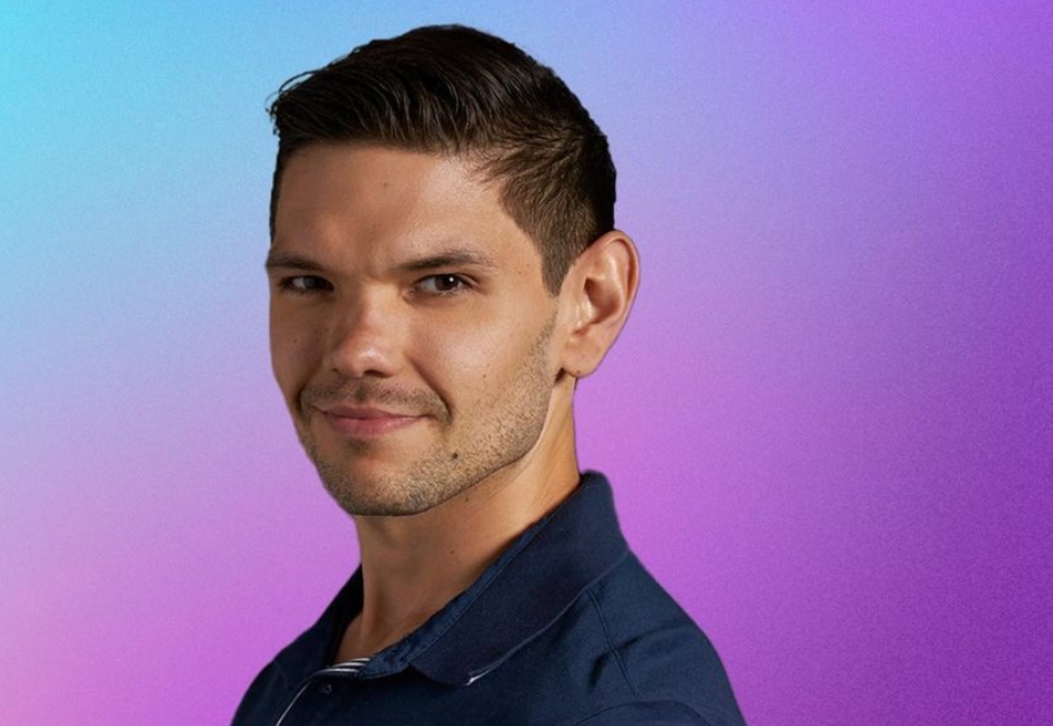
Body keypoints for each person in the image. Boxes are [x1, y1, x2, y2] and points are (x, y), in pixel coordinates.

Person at [232, 24, 746, 726]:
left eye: (442, 282)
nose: (357, 350)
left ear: (592, 305)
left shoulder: (622, 712)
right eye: (309, 283)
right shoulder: (303, 679)